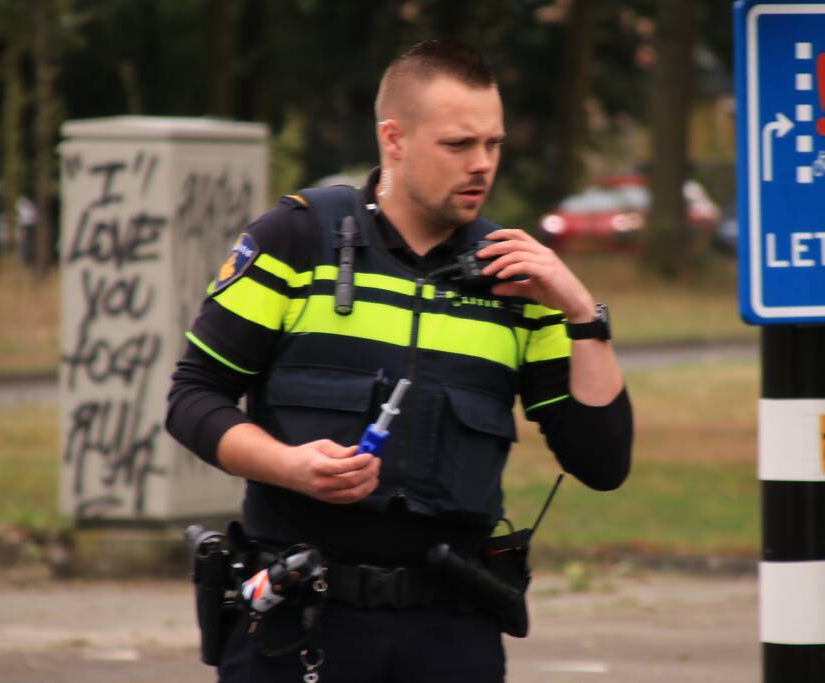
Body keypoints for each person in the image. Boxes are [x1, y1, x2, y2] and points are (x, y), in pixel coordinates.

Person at [167, 39, 633, 683]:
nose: (482, 165)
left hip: (452, 633)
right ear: (395, 139)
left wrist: (583, 312)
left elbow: (602, 461)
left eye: (493, 145)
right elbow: (192, 397)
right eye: (458, 145)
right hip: (297, 625)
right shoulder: (294, 242)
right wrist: (291, 466)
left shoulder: (517, 279)